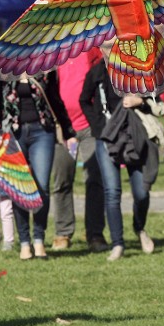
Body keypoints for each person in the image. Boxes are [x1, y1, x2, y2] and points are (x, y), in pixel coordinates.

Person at [80, 53, 161, 261]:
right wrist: (97, 126)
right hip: (106, 138)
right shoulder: (96, 72)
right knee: (112, 191)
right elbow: (84, 100)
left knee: (141, 192)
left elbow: (156, 100)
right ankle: (118, 243)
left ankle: (139, 227)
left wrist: (140, 101)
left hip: (134, 135)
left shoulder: (135, 68)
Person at [0, 71, 74, 260]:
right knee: (20, 187)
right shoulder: (2, 68)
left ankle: (39, 239)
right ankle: (25, 242)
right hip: (13, 133)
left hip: (42, 132)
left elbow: (55, 98)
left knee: (42, 187)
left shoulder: (45, 65)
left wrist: (68, 131)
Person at [49, 47, 108, 252]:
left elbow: (104, 72)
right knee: (62, 180)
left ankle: (95, 234)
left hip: (89, 125)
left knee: (95, 180)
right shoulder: (53, 51)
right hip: (62, 127)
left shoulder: (91, 47)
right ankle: (63, 232)